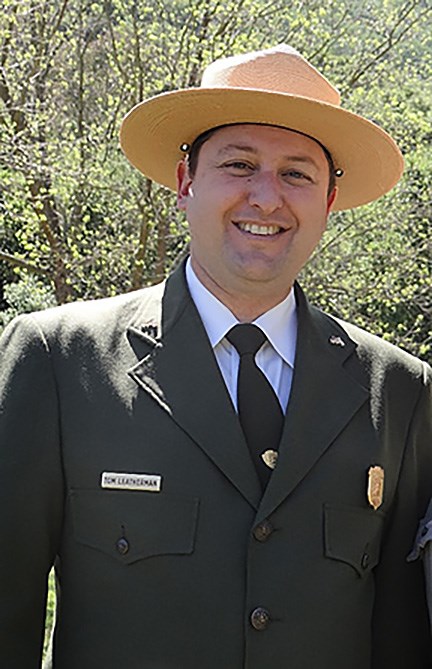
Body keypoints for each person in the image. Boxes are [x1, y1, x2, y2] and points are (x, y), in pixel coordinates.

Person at [0, 43, 431, 669]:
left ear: (328, 203)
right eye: (239, 164)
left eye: (297, 174)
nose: (266, 197)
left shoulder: (399, 390)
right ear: (186, 182)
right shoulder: (60, 361)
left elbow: (402, 635)